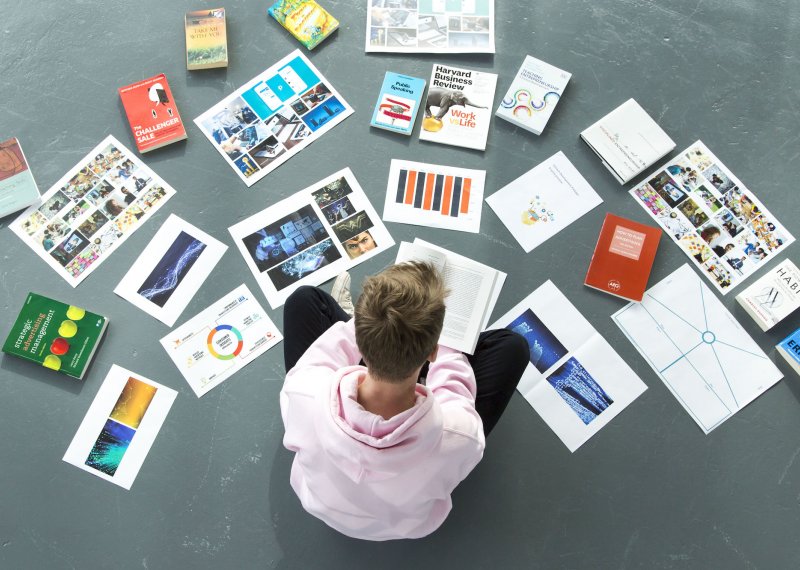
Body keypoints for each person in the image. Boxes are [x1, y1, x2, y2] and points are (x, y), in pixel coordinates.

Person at [281, 263, 528, 540]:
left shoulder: (305, 388)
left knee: (304, 300)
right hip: (401, 521)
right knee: (512, 347)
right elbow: (454, 390)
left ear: (360, 342)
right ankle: (411, 361)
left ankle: (387, 349)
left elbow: (328, 350)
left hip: (322, 500)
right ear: (433, 351)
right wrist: (443, 344)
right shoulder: (459, 434)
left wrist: (373, 327)